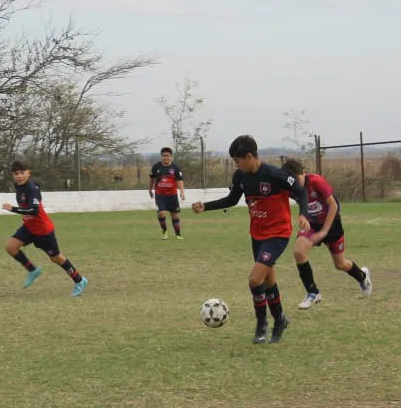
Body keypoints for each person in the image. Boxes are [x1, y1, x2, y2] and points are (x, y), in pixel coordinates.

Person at [192, 135, 309, 344]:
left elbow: (301, 192)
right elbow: (232, 199)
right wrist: (206, 206)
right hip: (257, 234)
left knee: (255, 280)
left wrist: (303, 214)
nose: (236, 165)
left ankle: (261, 323)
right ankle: (280, 319)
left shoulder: (274, 174)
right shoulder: (241, 176)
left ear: (249, 156)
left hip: (278, 233)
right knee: (268, 280)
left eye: (237, 161)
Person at [280, 158, 372, 309]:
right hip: (311, 225)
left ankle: (362, 276)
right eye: (292, 181)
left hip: (332, 224)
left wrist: (324, 231)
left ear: (304, 172)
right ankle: (313, 292)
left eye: (297, 179)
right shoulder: (290, 188)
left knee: (340, 264)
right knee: (299, 252)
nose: (295, 184)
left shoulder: (315, 181)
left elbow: (333, 205)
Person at [2, 160, 88, 297]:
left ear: (28, 173)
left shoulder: (31, 189)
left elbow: (34, 211)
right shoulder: (18, 186)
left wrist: (13, 209)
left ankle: (79, 280)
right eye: (16, 174)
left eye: (22, 173)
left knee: (56, 258)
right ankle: (33, 270)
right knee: (11, 247)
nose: (19, 176)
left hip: (43, 230)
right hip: (29, 227)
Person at [149, 147, 187, 240]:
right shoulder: (156, 167)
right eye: (164, 156)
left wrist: (182, 192)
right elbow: (152, 179)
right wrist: (150, 189)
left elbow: (180, 180)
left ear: (171, 157)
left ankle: (178, 234)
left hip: (172, 195)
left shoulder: (175, 168)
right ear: (161, 156)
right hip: (160, 194)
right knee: (161, 213)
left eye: (167, 156)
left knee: (175, 215)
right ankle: (164, 230)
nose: (165, 157)